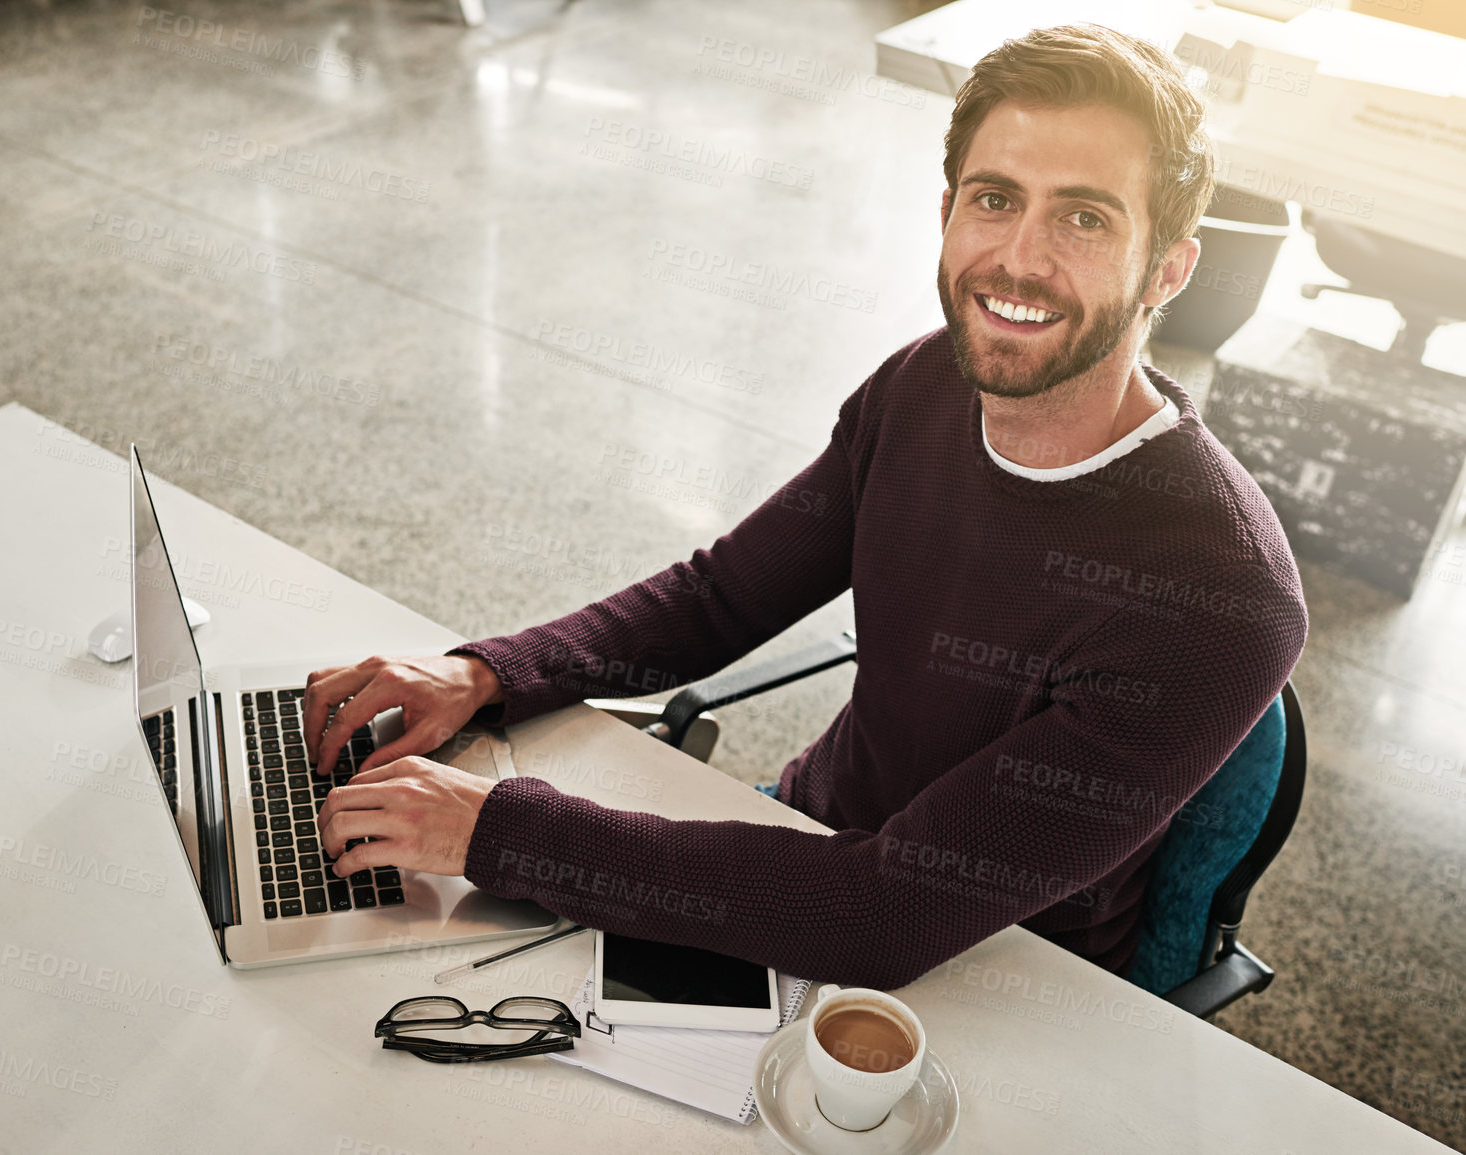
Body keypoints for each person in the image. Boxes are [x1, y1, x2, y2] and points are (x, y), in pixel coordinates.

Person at [308, 23, 1307, 989]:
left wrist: (495, 829)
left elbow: (885, 914)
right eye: (995, 199)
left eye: (1085, 218)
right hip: (801, 835)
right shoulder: (925, 385)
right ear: (949, 209)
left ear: (1168, 269)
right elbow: (719, 598)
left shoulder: (1222, 597)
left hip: (997, 966)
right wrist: (483, 673)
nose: (1019, 258)